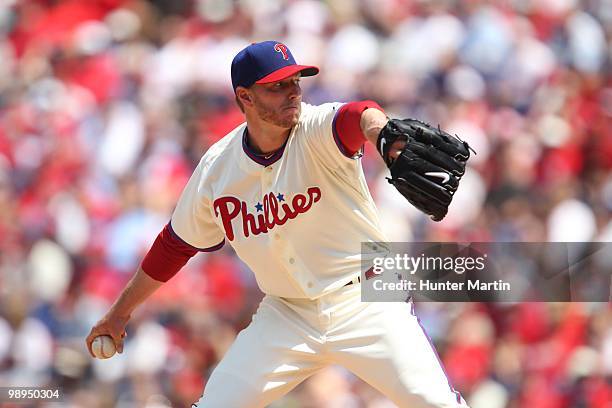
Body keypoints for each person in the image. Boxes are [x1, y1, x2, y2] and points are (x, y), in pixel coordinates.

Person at [86, 40, 468, 408]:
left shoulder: (315, 128)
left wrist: (381, 133)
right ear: (245, 97)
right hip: (288, 314)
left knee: (432, 402)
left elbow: (357, 115)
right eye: (277, 86)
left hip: (367, 296)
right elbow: (175, 246)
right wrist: (119, 313)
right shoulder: (217, 169)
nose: (292, 93)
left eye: (295, 82)